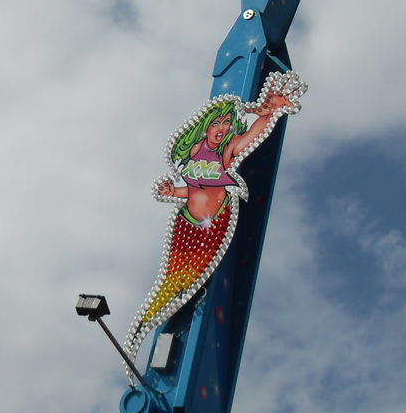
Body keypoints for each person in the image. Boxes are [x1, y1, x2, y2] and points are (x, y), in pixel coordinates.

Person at [127, 71, 305, 357]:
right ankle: (142, 329)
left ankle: (145, 328)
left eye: (227, 123)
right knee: (171, 281)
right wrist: (173, 192)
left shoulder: (228, 151)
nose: (222, 128)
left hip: (214, 227)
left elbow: (253, 134)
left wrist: (270, 111)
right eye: (217, 123)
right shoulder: (193, 153)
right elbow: (194, 189)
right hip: (186, 225)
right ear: (205, 127)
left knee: (190, 281)